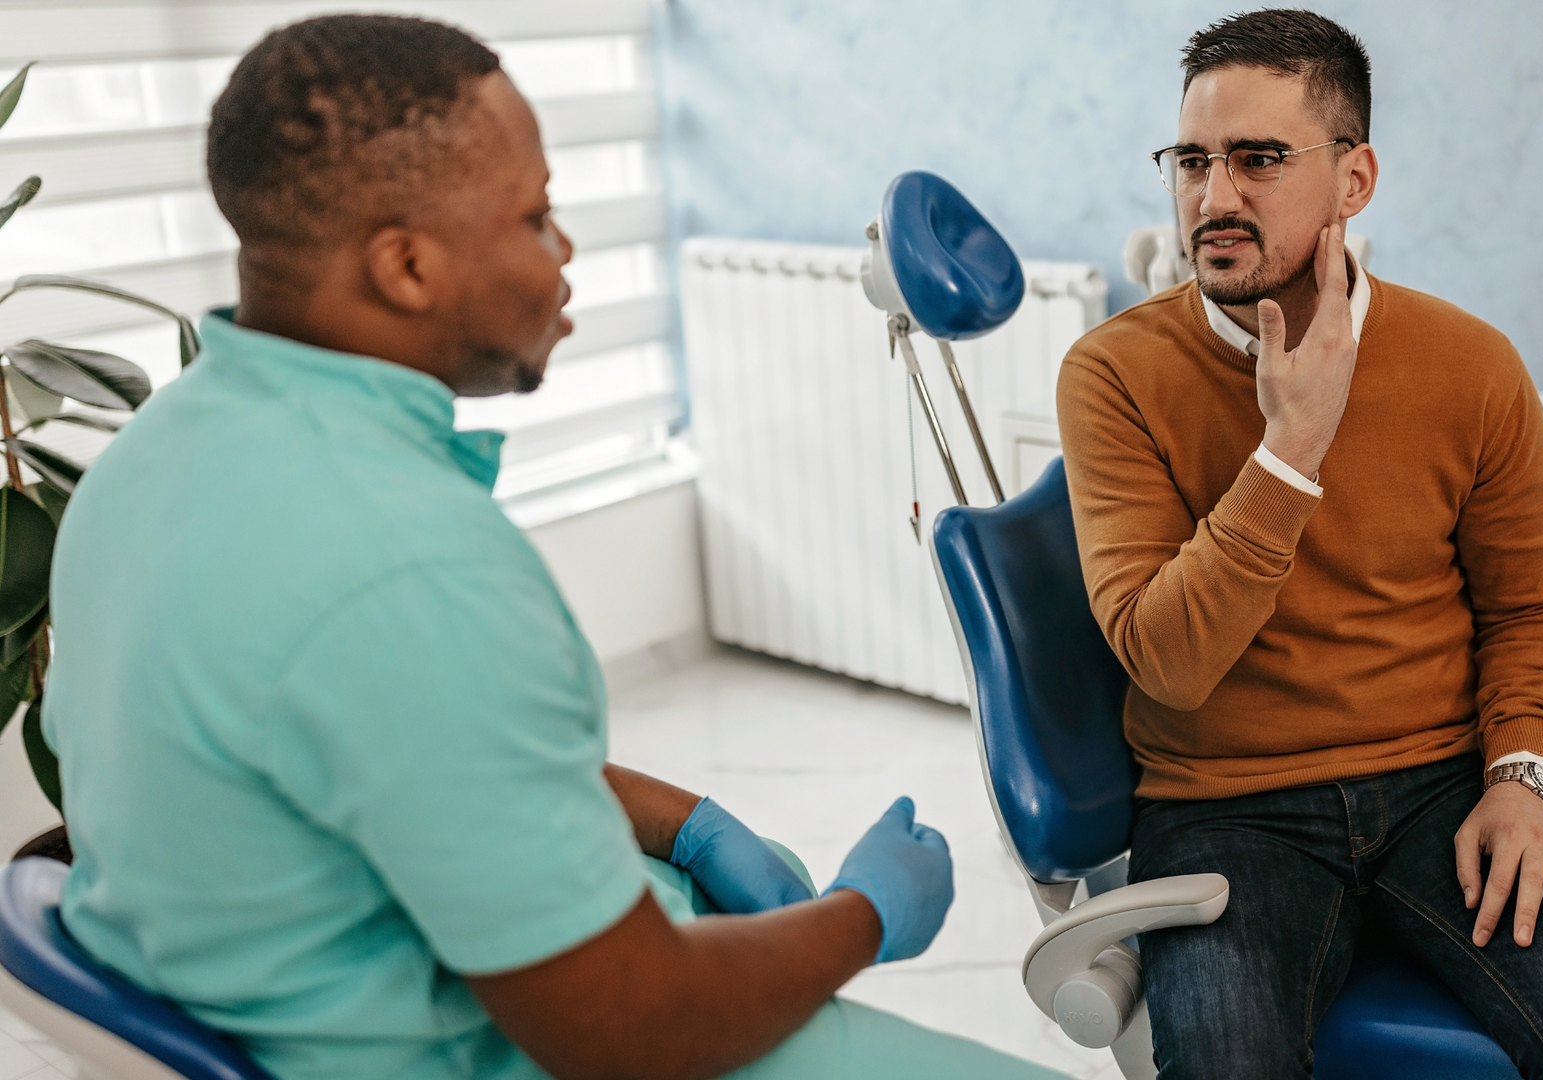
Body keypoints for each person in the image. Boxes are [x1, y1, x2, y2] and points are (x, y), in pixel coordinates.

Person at [42, 15, 1066, 1080]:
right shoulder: (410, 567)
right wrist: (864, 915)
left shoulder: (148, 456)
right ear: (405, 265)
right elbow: (634, 1029)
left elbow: (406, 747)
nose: (565, 248)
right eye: (535, 217)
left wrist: (687, 826)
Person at [1055, 10, 1543, 1079]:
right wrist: (1290, 447)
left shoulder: (1470, 364)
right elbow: (1165, 661)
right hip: (1222, 808)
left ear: (1353, 180)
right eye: (1192, 160)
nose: (1213, 199)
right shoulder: (1112, 375)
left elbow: (1530, 610)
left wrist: (1525, 779)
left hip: (1445, 788)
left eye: (1259, 159)